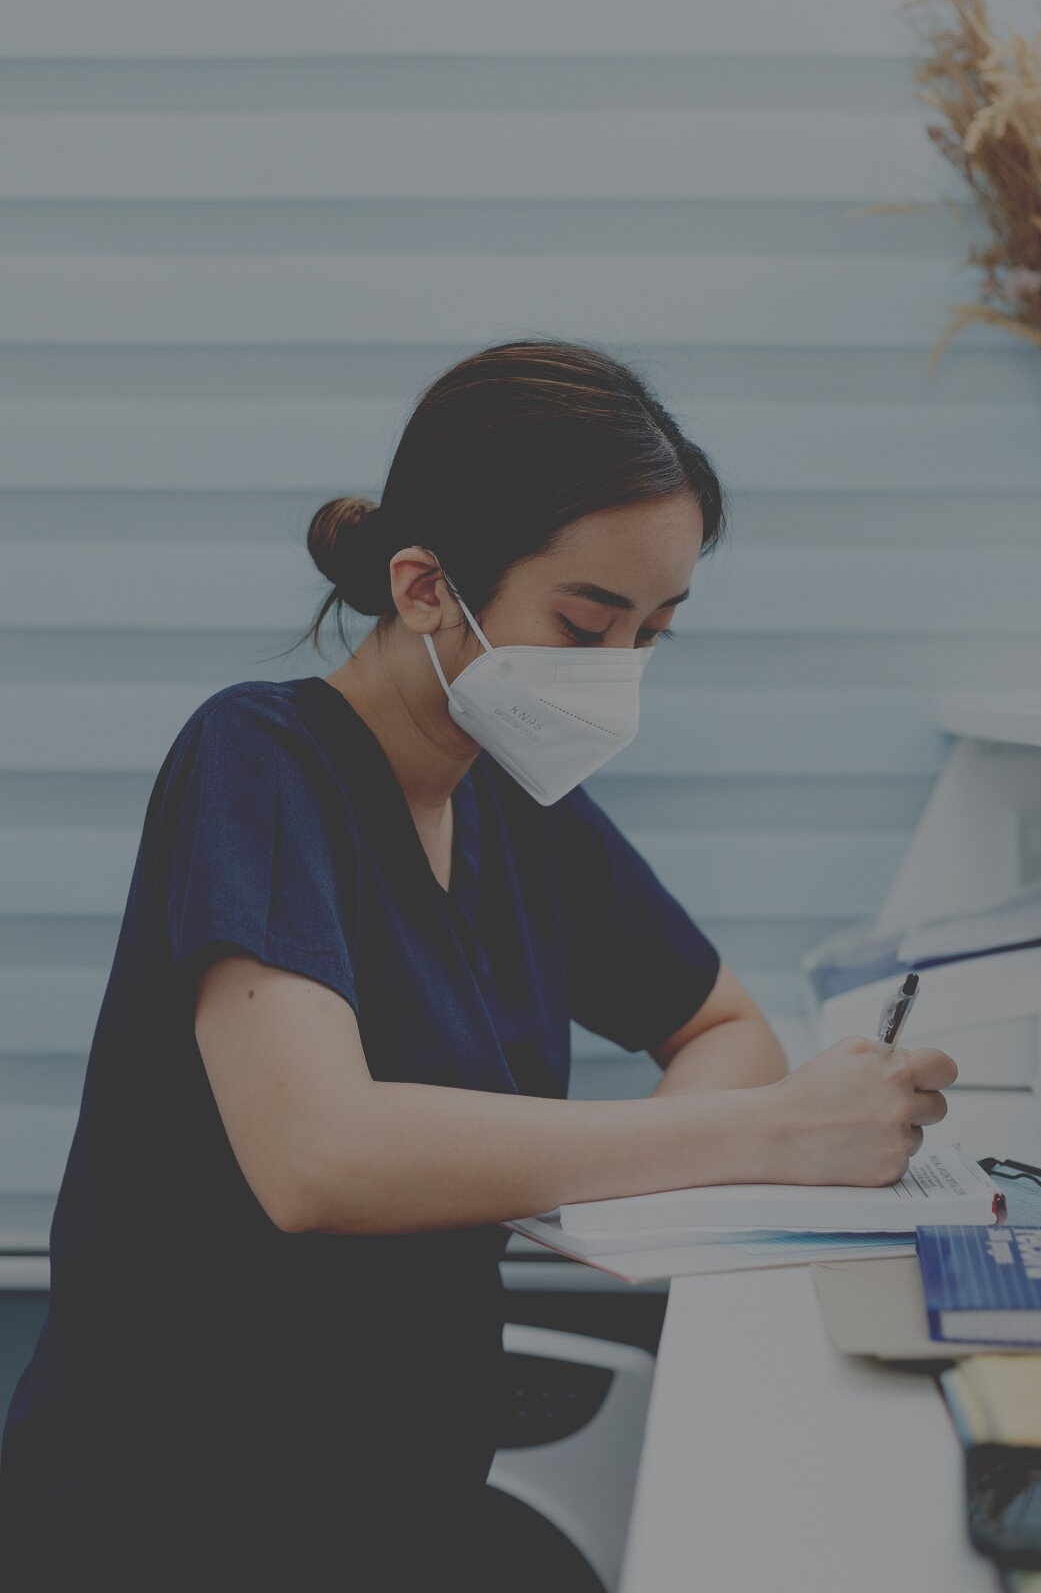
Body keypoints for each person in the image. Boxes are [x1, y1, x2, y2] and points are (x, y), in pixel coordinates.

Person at [0, 338, 957, 1589]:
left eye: (653, 635)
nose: (616, 675)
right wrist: (769, 1137)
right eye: (582, 622)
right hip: (177, 1513)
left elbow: (721, 1026)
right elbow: (317, 1157)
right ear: (423, 586)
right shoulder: (259, 762)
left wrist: (627, 1186)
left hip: (403, 1495)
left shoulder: (515, 802)